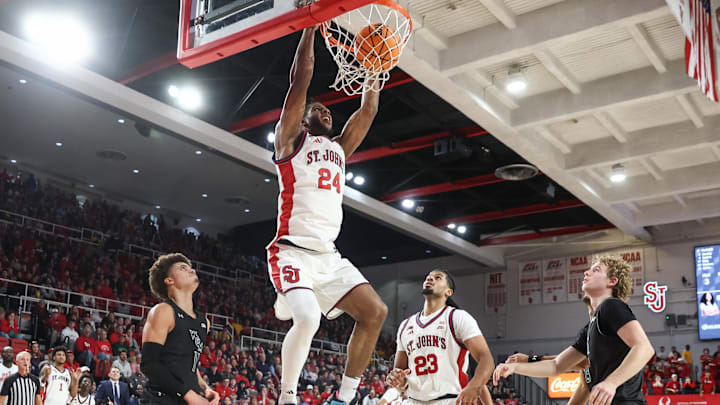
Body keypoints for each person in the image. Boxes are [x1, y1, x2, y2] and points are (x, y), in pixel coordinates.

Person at [266, 24, 386, 405]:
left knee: (375, 312)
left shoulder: (340, 149)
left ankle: (344, 397)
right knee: (308, 320)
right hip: (292, 251)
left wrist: (373, 67)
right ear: (302, 119)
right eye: (317, 109)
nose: (326, 112)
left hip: (328, 257)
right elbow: (300, 79)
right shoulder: (290, 141)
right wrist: (309, 29)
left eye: (328, 109)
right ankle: (287, 396)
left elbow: (367, 110)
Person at [493, 256, 655, 405]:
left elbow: (644, 348)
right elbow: (557, 365)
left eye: (596, 270)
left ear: (612, 281)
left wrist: (611, 382)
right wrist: (516, 368)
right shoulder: (591, 326)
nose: (587, 271)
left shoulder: (611, 305)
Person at [386, 270, 494, 405]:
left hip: (449, 399)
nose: (430, 279)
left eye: (437, 278)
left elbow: (487, 359)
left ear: (448, 292)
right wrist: (397, 379)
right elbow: (400, 373)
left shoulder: (457, 317)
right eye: (428, 277)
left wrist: (474, 386)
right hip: (413, 400)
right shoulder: (405, 325)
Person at [140, 253, 219, 405]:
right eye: (183, 268)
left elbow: (190, 366)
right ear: (169, 280)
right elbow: (149, 364)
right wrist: (189, 395)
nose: (192, 271)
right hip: (161, 400)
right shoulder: (164, 311)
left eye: (191, 268)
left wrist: (205, 388)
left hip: (186, 399)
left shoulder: (204, 322)